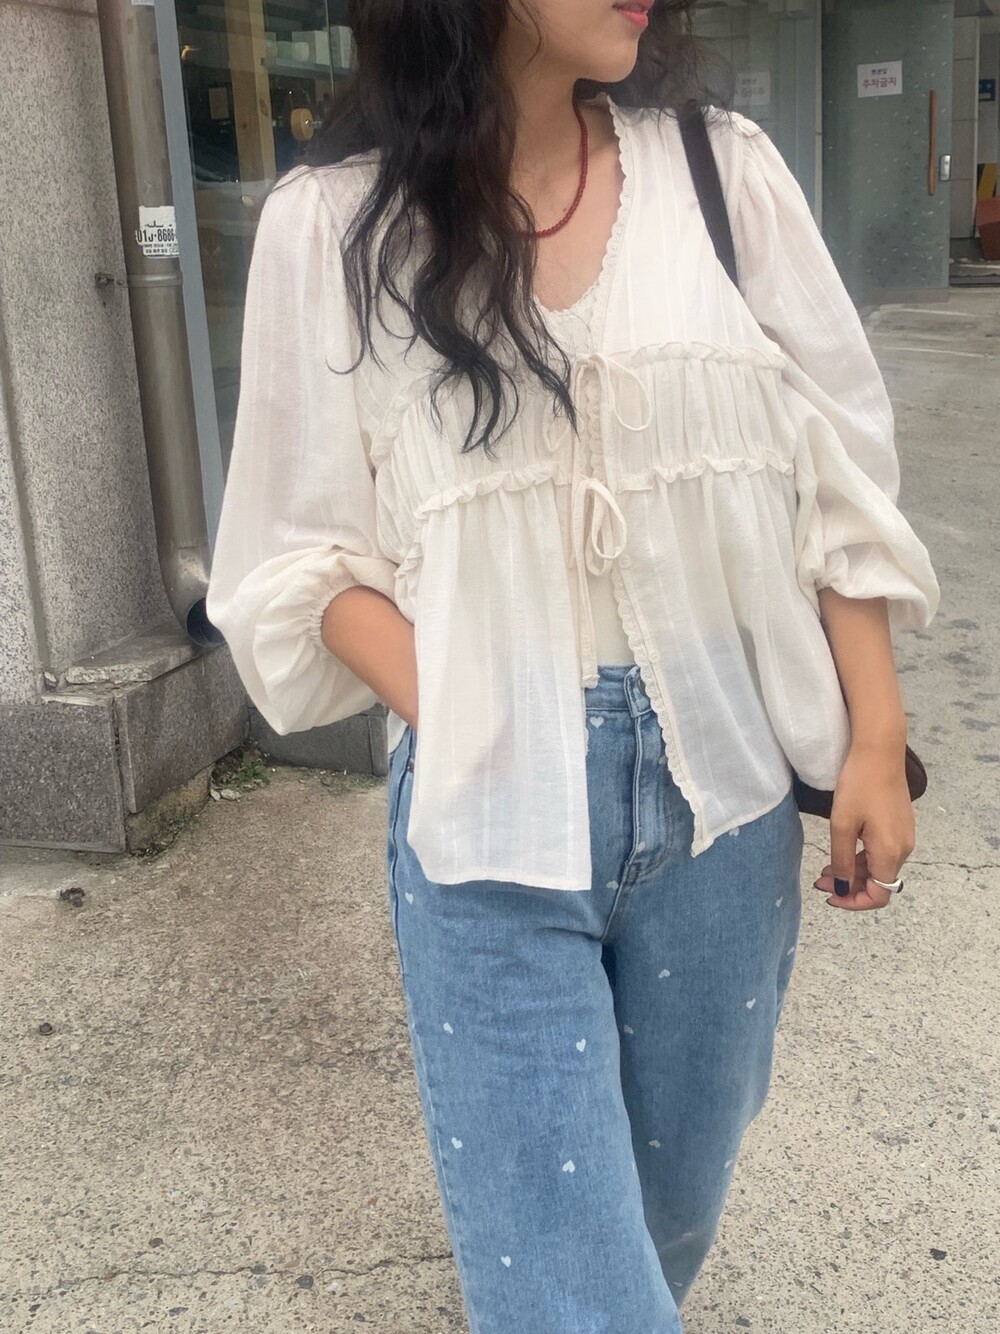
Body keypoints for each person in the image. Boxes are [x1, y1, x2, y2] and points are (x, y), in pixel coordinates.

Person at [205, 2, 940, 1329]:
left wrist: (874, 737)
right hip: (488, 820)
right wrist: (472, 711)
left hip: (726, 795)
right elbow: (295, 553)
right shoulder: (332, 230)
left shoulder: (719, 177)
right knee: (566, 1293)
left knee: (666, 1213)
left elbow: (838, 475)